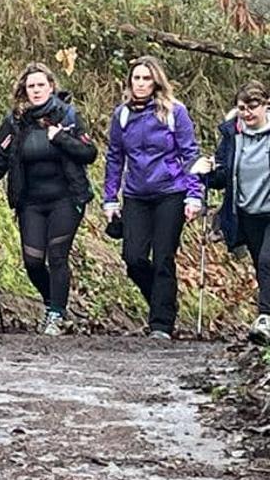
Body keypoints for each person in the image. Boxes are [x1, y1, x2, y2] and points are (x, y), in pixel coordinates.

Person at [0, 63, 97, 336]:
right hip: (30, 201)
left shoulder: (67, 116)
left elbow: (89, 153)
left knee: (57, 255)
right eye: (31, 86)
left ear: (51, 87)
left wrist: (61, 138)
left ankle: (56, 315)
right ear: (24, 91)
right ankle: (53, 302)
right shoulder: (15, 122)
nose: (36, 90)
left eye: (41, 85)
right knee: (33, 261)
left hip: (66, 197)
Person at [102, 56, 203, 340]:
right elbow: (114, 157)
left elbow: (190, 154)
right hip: (136, 193)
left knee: (162, 257)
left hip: (170, 192)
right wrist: (110, 198)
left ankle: (161, 323)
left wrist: (194, 195)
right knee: (133, 257)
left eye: (147, 78)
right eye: (137, 78)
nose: (141, 84)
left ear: (156, 81)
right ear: (130, 82)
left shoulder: (175, 112)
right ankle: (163, 301)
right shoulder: (122, 115)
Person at [200, 81, 270, 345]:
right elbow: (222, 175)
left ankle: (265, 318)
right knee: (260, 265)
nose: (247, 113)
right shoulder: (232, 134)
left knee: (267, 261)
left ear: (266, 105)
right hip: (246, 211)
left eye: (253, 107)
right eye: (242, 108)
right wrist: (207, 170)